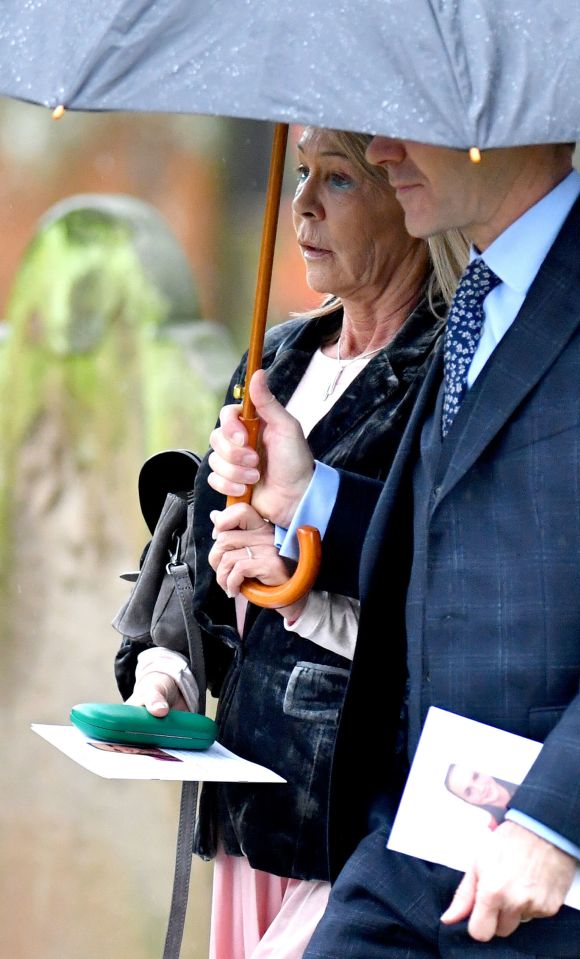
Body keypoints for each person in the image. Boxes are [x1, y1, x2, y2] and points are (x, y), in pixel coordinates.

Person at [207, 138, 580, 959]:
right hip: (429, 823)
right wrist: (301, 494)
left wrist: (554, 822)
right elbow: (449, 544)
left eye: (412, 124)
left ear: (509, 122)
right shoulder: (475, 303)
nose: (384, 148)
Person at [120, 127, 466, 959]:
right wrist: (168, 672)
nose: (301, 205)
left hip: (357, 815)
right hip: (251, 807)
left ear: (408, 197)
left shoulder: (450, 376)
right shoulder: (276, 357)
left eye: (338, 180)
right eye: (302, 173)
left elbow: (445, 602)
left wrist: (297, 580)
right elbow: (205, 576)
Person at [444, 765, 518, 828]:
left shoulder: (522, 776)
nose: (480, 789)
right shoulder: (501, 829)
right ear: (468, 802)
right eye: (469, 792)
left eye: (476, 776)